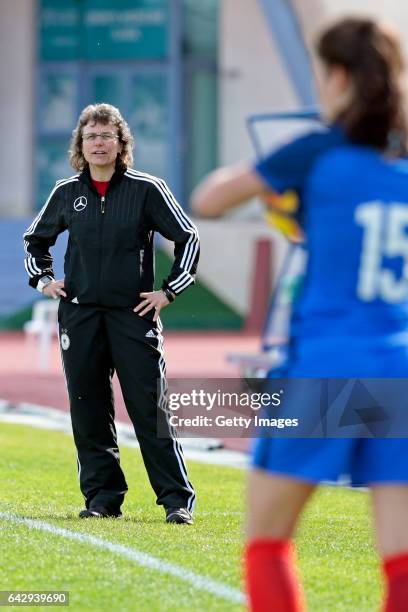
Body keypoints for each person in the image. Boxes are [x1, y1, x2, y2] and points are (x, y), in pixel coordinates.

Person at [192, 17, 408, 610]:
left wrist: (277, 193)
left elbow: (210, 198)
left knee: (267, 541)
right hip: (399, 365)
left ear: (337, 75)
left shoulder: (317, 150)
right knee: (402, 560)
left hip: (329, 366)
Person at [24, 103, 199, 525]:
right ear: (80, 146)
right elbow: (35, 241)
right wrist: (44, 281)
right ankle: (103, 498)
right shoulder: (66, 193)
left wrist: (168, 291)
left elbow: (187, 237)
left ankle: (176, 500)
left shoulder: (147, 189)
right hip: (80, 316)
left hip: (132, 314)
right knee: (88, 407)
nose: (98, 143)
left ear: (122, 144)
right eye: (90, 137)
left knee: (149, 407)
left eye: (106, 136)